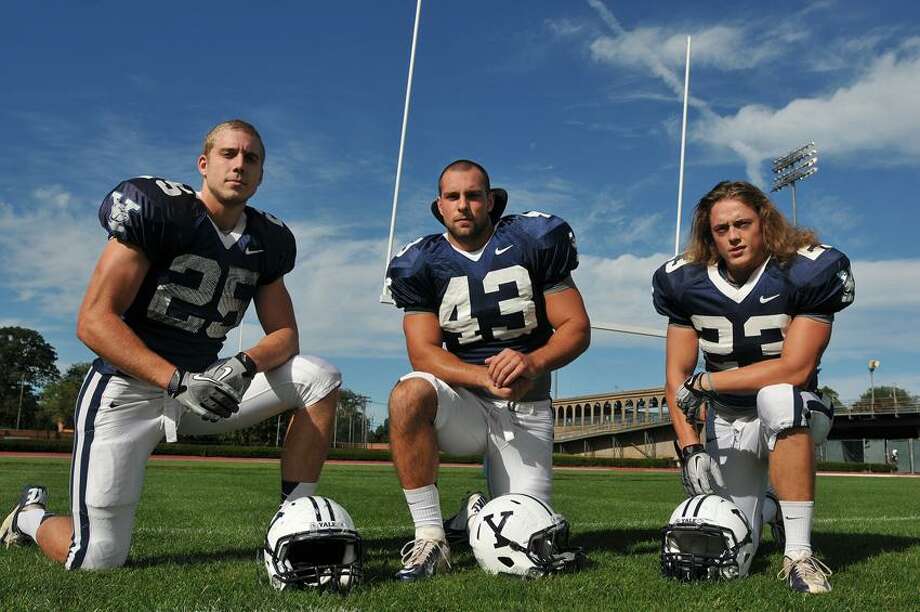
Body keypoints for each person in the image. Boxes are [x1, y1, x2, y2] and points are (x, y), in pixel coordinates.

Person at [0, 120, 341, 570]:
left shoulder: (267, 241)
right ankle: (29, 516)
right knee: (95, 559)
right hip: (127, 391)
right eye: (228, 154)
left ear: (261, 175)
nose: (239, 164)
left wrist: (242, 364)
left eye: (251, 158)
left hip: (206, 387)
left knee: (319, 376)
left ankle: (294, 521)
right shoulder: (161, 212)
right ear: (204, 164)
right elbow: (93, 321)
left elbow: (285, 335)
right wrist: (176, 381)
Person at [384, 159, 590, 580]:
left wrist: (533, 361)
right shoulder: (422, 262)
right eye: (453, 197)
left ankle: (471, 518)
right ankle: (430, 536)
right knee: (408, 393)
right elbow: (422, 353)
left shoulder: (533, 240)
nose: (464, 205)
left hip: (525, 407)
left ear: (491, 201)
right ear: (438, 206)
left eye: (474, 195)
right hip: (465, 404)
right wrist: (484, 377)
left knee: (527, 540)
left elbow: (576, 328)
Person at [652, 180, 854, 593]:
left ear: (764, 221)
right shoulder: (685, 281)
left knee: (778, 396)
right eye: (721, 229)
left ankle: (799, 555)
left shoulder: (805, 270)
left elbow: (794, 369)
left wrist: (709, 380)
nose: (733, 236)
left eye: (742, 224)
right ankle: (770, 509)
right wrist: (689, 447)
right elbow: (677, 374)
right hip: (726, 418)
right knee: (735, 539)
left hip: (794, 411)